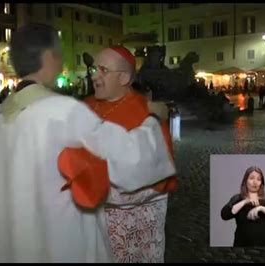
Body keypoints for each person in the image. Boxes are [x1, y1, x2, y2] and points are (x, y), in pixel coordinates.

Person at [0, 24, 176, 263]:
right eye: (59, 54)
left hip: (18, 243)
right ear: (47, 57)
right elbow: (130, 158)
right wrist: (153, 119)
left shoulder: (0, 118)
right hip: (62, 242)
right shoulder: (62, 111)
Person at [58, 46, 177, 262]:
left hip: (128, 232)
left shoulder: (146, 112)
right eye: (94, 69)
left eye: (103, 70)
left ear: (123, 77)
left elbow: (158, 177)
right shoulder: (84, 107)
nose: (94, 76)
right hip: (85, 227)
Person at [221, 166, 265, 247]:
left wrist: (260, 208)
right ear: (245, 181)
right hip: (242, 244)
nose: (255, 182)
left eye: (258, 179)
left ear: (261, 183)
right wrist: (245, 201)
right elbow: (225, 214)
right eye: (251, 178)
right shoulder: (237, 198)